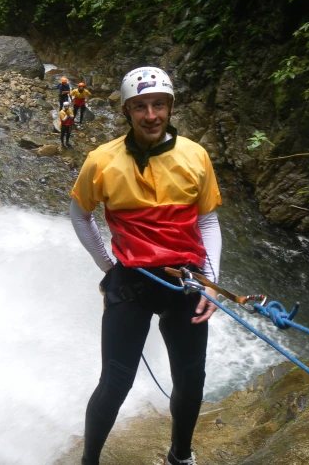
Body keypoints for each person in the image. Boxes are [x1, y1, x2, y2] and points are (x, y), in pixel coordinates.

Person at [69, 66, 222, 465]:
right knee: (115, 384)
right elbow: (80, 213)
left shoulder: (195, 156)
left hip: (185, 281)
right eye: (140, 106)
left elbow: (207, 219)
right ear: (127, 111)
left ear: (170, 107)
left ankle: (180, 456)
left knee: (191, 380)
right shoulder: (102, 161)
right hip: (131, 283)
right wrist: (108, 267)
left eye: (158, 105)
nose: (151, 115)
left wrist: (212, 282)